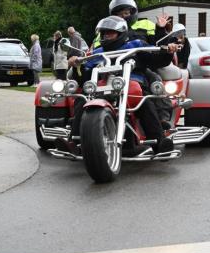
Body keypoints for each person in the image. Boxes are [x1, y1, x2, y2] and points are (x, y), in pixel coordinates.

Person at [57, 16, 179, 156]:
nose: (106, 36)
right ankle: (74, 142)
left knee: (144, 101)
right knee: (82, 98)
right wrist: (77, 64)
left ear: (121, 33)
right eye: (104, 33)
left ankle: (159, 143)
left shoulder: (136, 46)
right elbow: (84, 76)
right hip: (103, 88)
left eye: (110, 32)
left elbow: (156, 60)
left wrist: (169, 50)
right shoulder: (97, 52)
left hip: (133, 86)